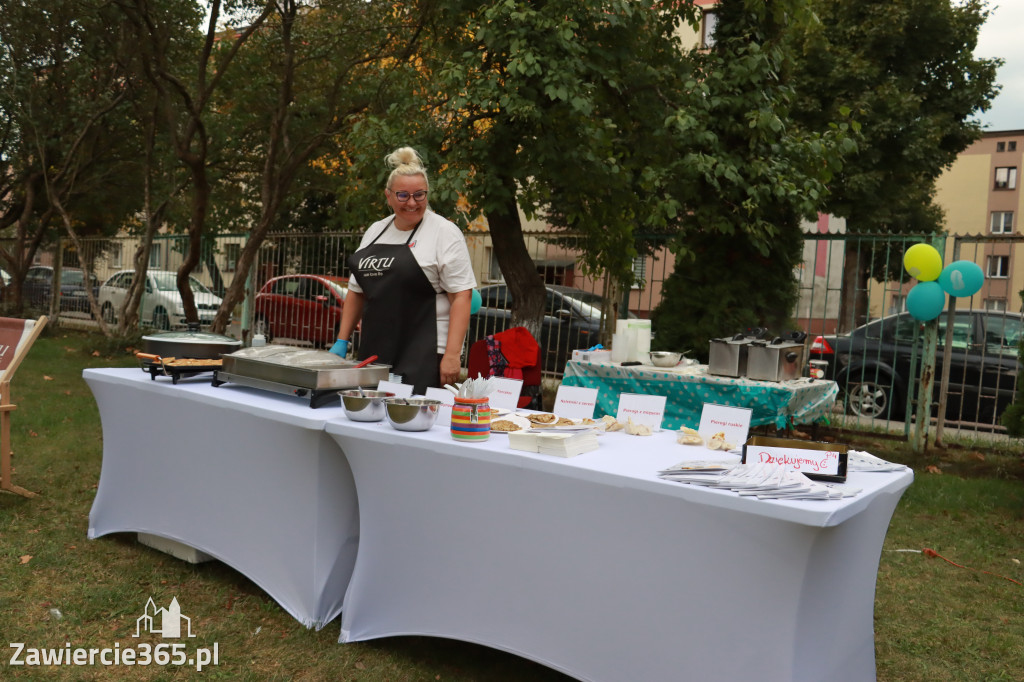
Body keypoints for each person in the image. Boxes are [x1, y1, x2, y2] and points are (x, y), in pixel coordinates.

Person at [331, 147, 477, 394]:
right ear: (388, 196)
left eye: (420, 195)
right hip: (375, 349)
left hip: (425, 352)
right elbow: (357, 291)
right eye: (403, 195)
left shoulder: (444, 232)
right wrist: (342, 341)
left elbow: (462, 296)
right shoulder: (375, 231)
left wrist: (452, 355)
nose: (412, 203)